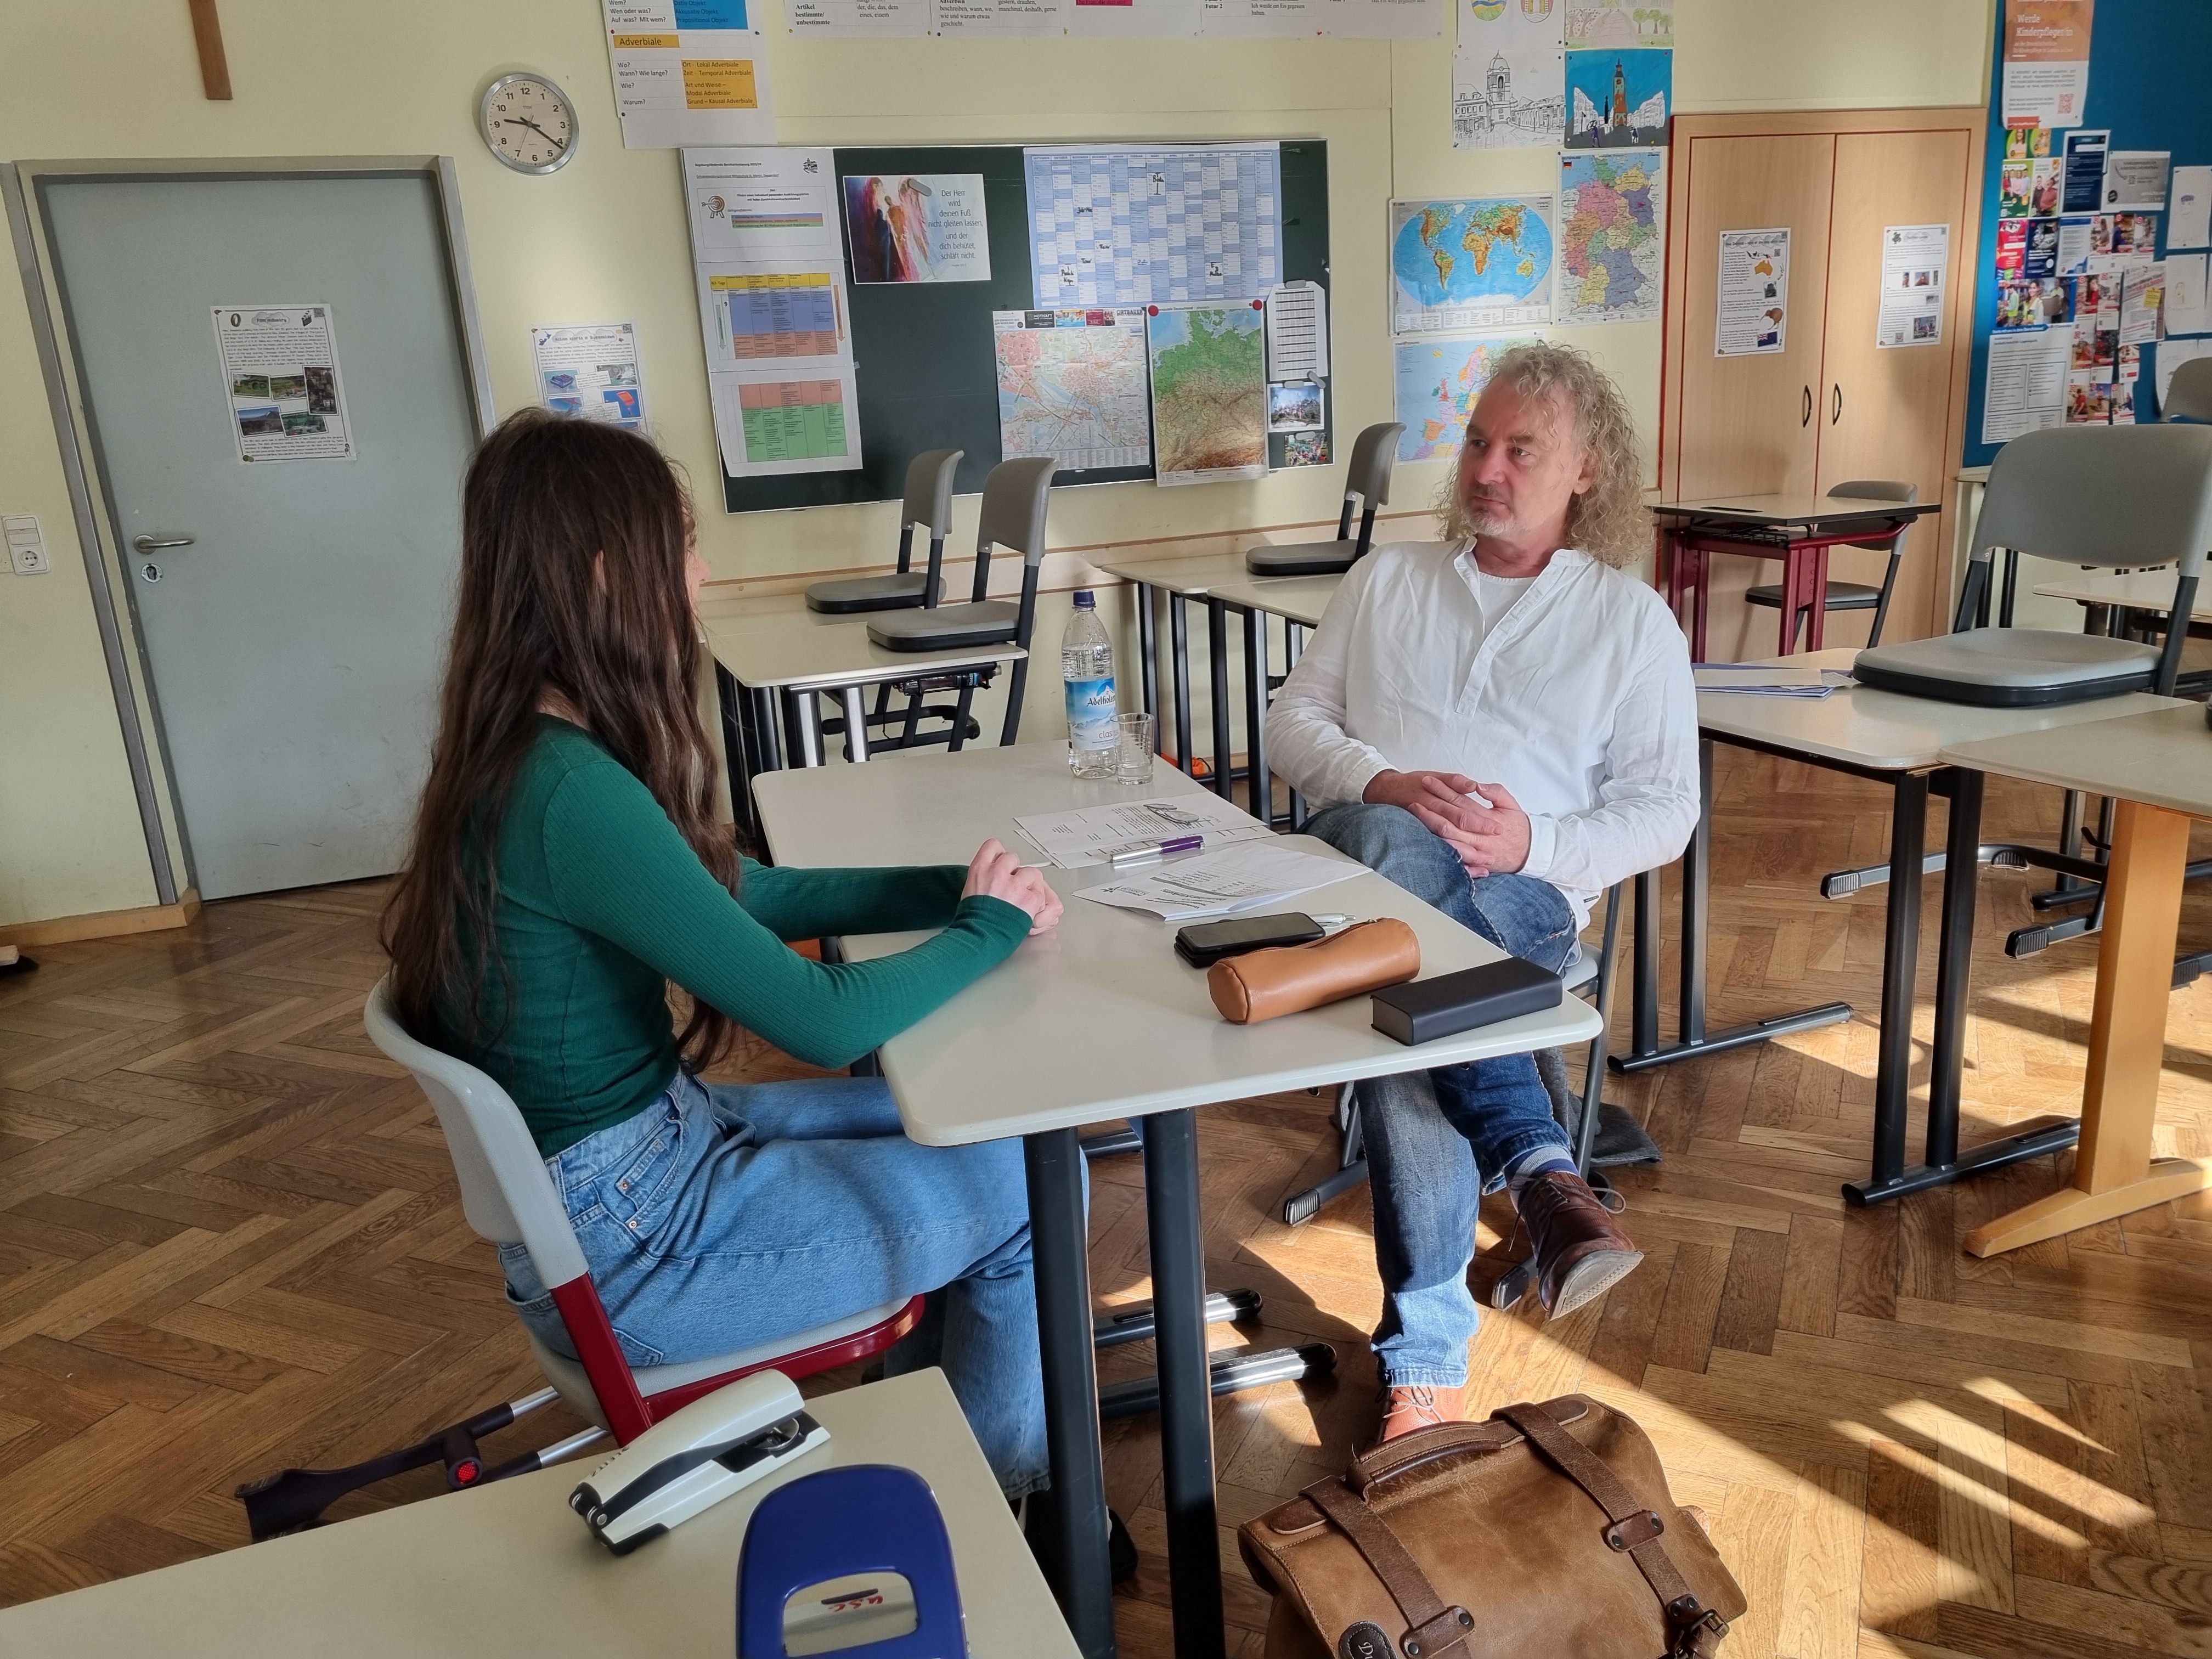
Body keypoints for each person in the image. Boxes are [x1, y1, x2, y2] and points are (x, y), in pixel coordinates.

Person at [382, 410, 1063, 1498]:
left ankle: (941, 1441)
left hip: (630, 1174)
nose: (701, 574)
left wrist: (951, 887)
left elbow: (738, 890)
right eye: (684, 546)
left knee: (972, 1124)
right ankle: (1004, 1512)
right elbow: (823, 1020)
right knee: (1030, 1190)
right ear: (608, 574)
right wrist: (988, 930)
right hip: (637, 1242)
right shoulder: (569, 794)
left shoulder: (525, 750)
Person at [1266, 343, 1698, 1447]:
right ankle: (1541, 1168)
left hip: (1523, 899)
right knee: (1389, 846)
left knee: (1413, 1015)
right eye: (1475, 442)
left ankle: (1426, 1361)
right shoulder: (1388, 579)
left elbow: (1666, 812)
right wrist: (1384, 781)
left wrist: (1531, 839)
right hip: (1354, 870)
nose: (1486, 469)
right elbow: (1290, 723)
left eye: (1521, 450)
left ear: (1587, 470)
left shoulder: (1630, 622)